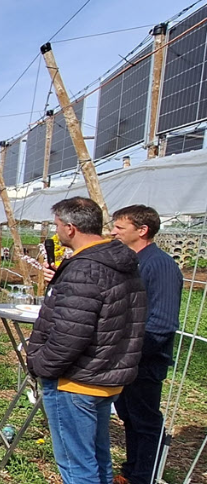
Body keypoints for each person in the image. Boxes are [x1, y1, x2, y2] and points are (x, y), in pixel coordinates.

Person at [27, 197, 147, 484]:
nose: (56, 233)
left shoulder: (85, 269)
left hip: (75, 381)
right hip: (105, 375)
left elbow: (70, 334)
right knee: (98, 458)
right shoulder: (118, 263)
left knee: (77, 466)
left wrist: (40, 364)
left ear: (71, 228)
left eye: (57, 226)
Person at [110, 205, 184, 484]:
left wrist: (131, 355)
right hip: (129, 356)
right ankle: (133, 471)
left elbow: (162, 323)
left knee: (145, 419)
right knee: (130, 416)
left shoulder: (160, 265)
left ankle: (145, 476)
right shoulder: (134, 261)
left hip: (144, 358)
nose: (113, 231)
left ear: (142, 231)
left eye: (120, 227)